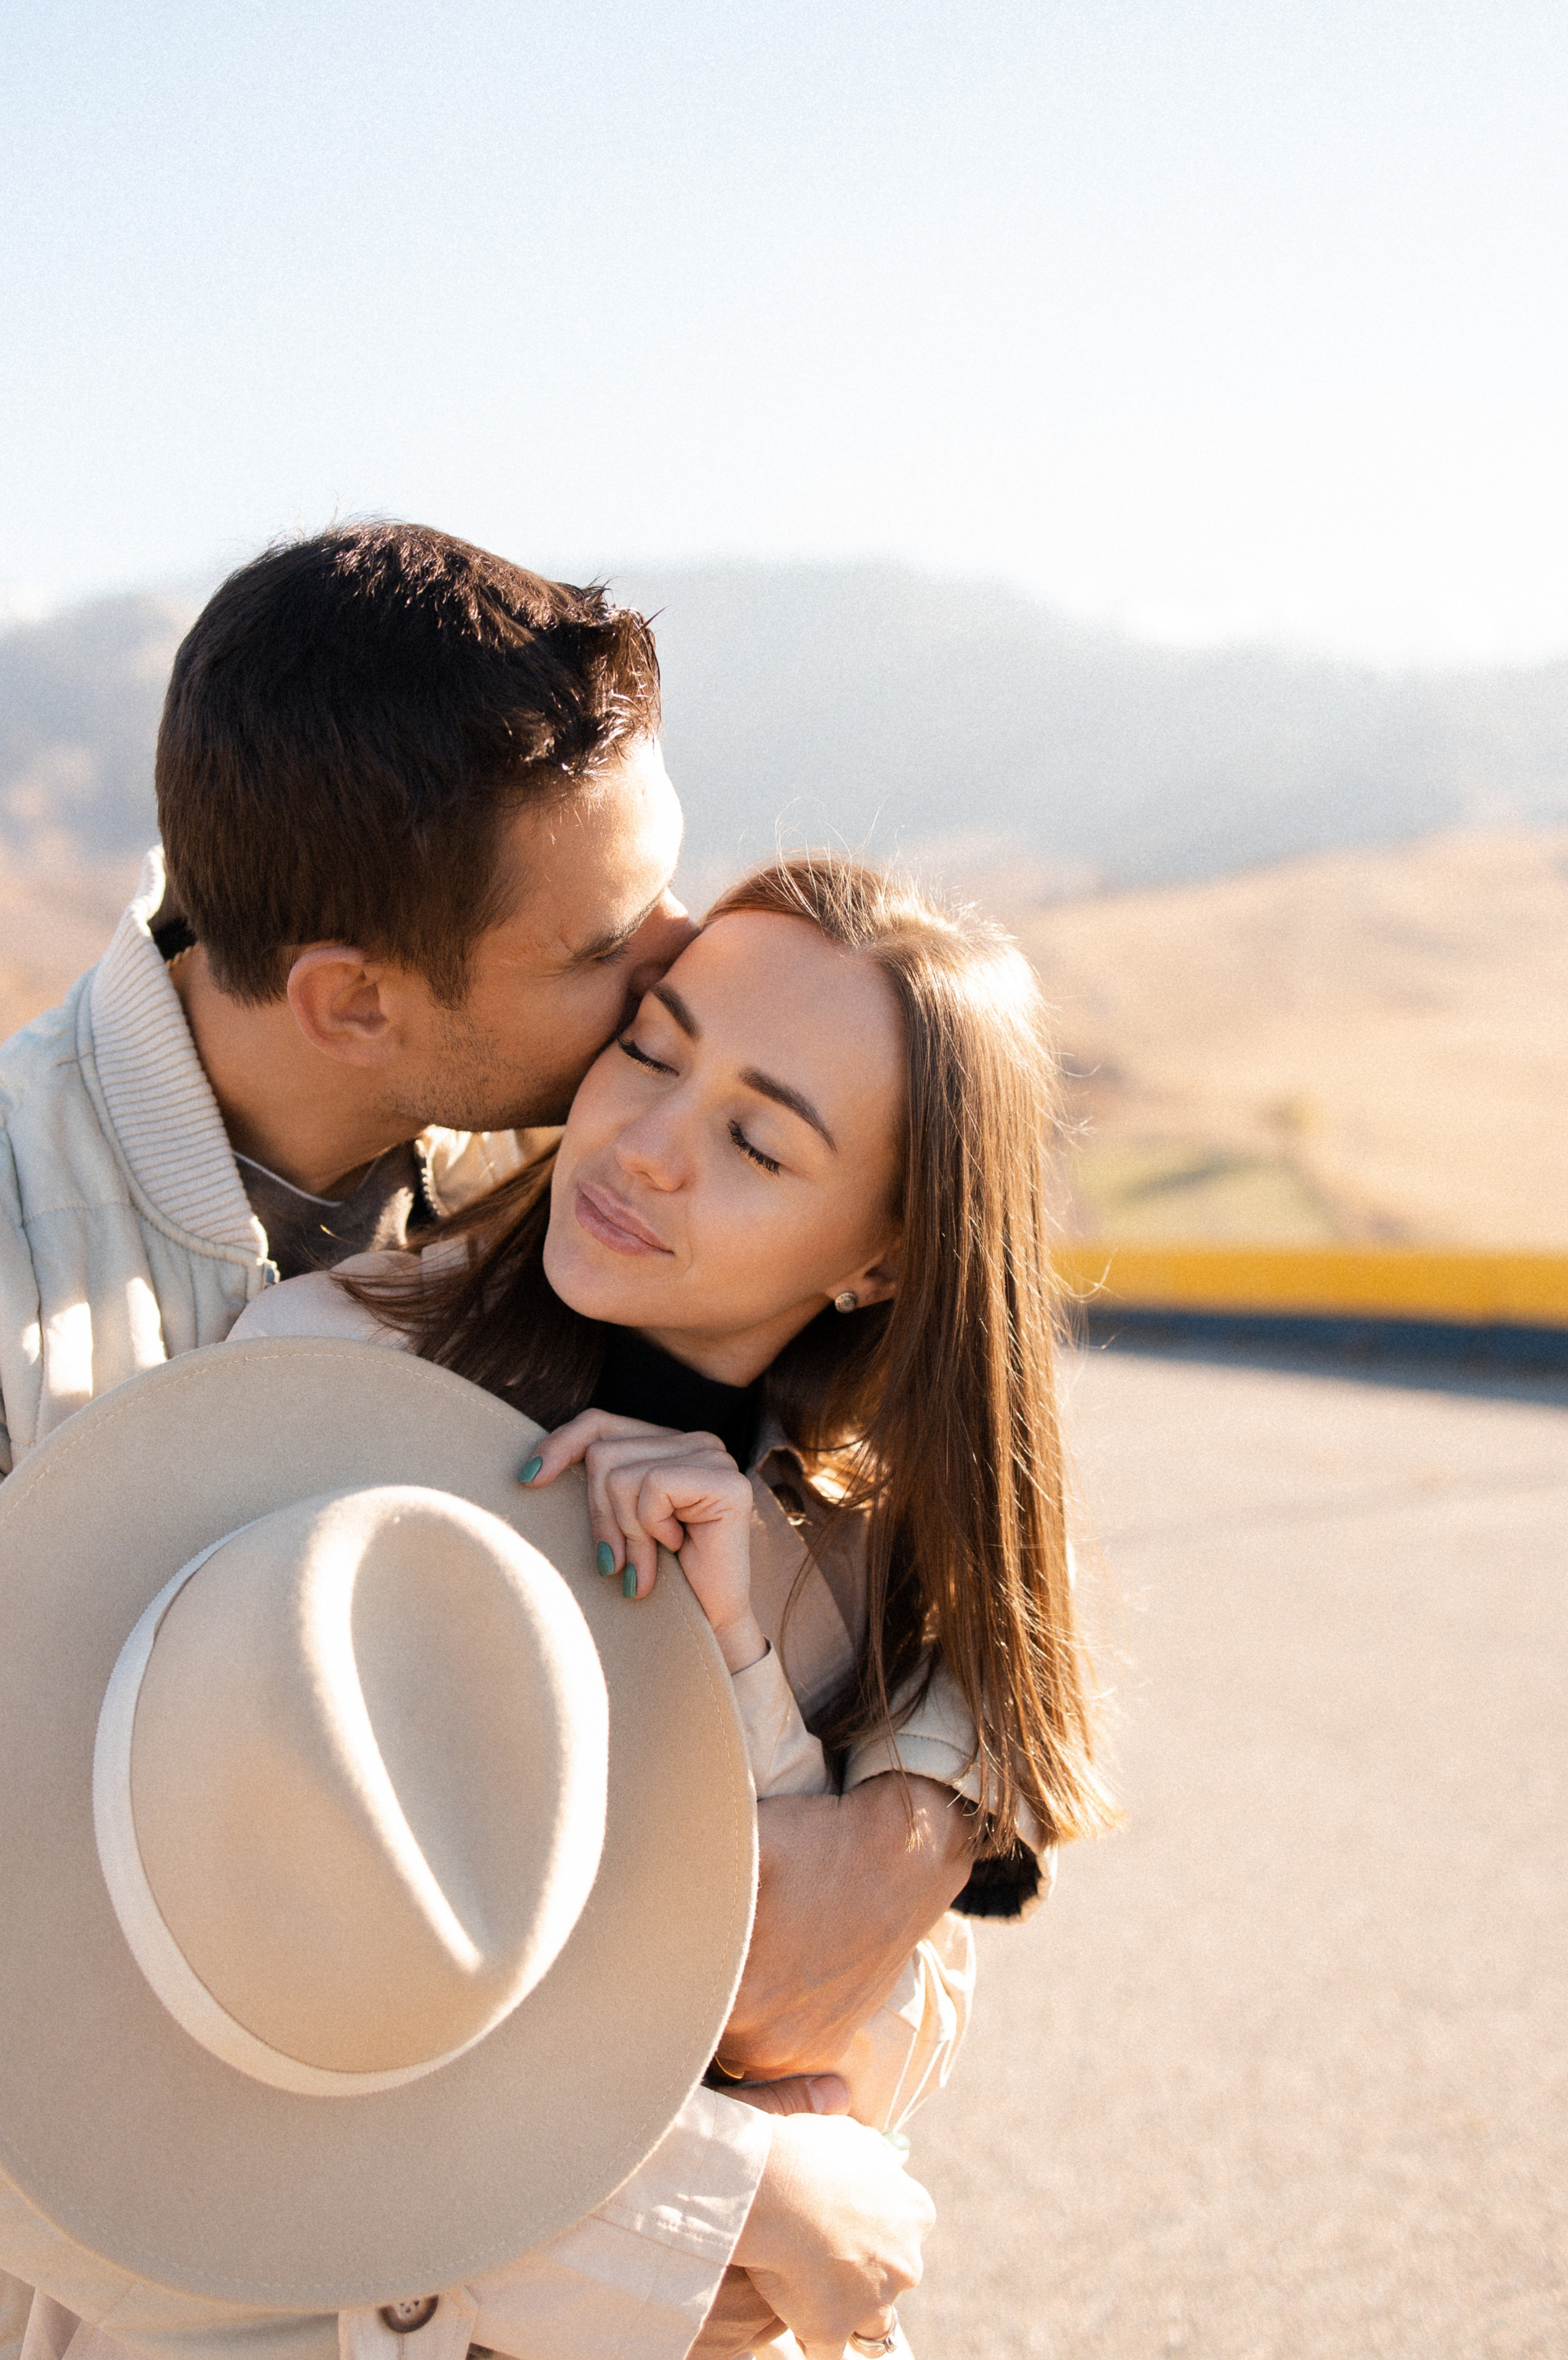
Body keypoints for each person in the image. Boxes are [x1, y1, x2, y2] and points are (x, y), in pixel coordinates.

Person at [0, 529, 970, 2356]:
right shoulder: (23, 1302)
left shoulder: (561, 1152)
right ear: (355, 1002)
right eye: (610, 946)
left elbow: (926, 1463)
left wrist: (920, 1811)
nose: (681, 960)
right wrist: (698, 2205)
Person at [235, 849, 1121, 2354]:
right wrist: (714, 2214)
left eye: (756, 1143)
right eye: (648, 1051)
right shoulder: (321, 1378)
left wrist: (736, 1657)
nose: (644, 1146)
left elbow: (840, 2035)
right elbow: (247, 1986)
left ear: (878, 1263)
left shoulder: (854, 1549)